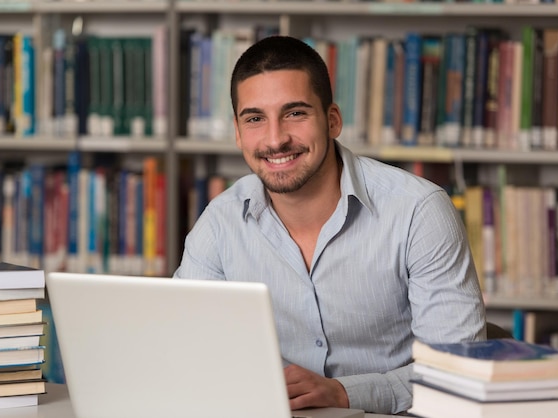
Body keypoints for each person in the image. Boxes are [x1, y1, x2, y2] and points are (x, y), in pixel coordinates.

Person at [174, 35, 486, 414]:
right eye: (255, 119)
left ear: (332, 120)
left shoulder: (418, 212)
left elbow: (456, 376)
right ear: (238, 133)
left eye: (295, 113)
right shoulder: (219, 224)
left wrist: (345, 393)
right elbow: (186, 354)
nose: (275, 139)